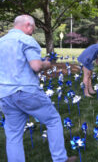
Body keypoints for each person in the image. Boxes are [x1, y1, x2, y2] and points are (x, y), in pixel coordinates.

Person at [0, 15, 76, 162]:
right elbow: (36, 66)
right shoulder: (26, 40)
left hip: (4, 94)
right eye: (33, 28)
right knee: (53, 120)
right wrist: (46, 64)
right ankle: (60, 159)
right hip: (26, 91)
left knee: (13, 135)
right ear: (28, 25)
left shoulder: (1, 42)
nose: (33, 31)